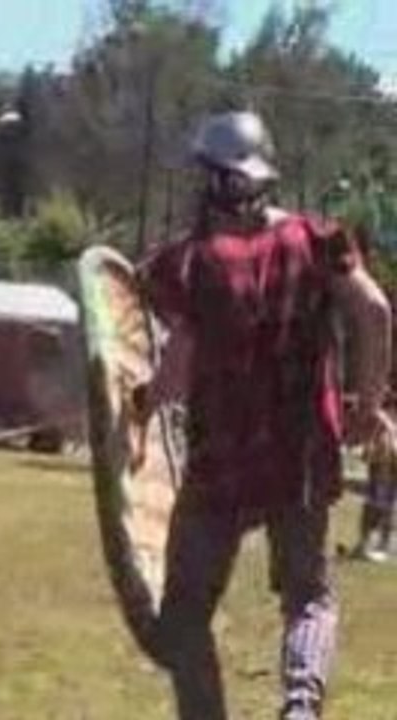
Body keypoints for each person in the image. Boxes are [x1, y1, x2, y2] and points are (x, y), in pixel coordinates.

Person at [130, 111, 392, 720]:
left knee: (186, 612)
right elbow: (375, 312)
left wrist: (137, 404)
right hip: (301, 458)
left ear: (217, 179)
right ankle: (301, 707)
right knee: (308, 598)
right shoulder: (315, 240)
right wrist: (369, 403)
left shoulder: (193, 262)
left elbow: (179, 364)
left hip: (221, 461)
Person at [352, 401, 397, 563]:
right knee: (379, 506)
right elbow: (370, 450)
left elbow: (370, 450)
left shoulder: (383, 420)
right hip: (381, 468)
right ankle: (370, 545)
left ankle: (378, 545)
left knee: (382, 507)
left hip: (385, 469)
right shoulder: (382, 420)